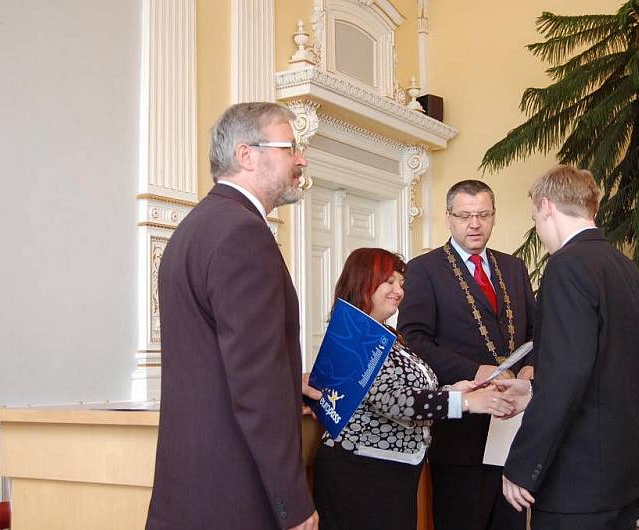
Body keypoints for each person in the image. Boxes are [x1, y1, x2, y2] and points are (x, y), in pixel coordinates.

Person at [146, 102, 318, 530]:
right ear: (246, 155)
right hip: (236, 488)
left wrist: (288, 383)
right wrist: (293, 503)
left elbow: (219, 357)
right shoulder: (243, 233)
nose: (301, 159)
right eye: (290, 147)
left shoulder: (195, 228)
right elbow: (254, 385)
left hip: (195, 483)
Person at [312, 247, 515, 530]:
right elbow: (396, 402)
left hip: (395, 473)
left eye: (401, 283)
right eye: (390, 281)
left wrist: (457, 390)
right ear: (363, 280)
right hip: (361, 474)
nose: (399, 291)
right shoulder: (354, 334)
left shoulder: (389, 336)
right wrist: (466, 403)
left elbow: (414, 390)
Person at [499, 165, 639, 530]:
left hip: (579, 482)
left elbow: (569, 374)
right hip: (623, 470)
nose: (538, 226)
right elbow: (612, 367)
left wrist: (523, 463)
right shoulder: (626, 267)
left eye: (535, 216)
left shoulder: (566, 266)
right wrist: (533, 389)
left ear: (547, 206)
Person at [397, 180, 536, 530]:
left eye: (483, 215)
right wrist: (477, 369)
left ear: (493, 217)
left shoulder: (514, 268)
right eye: (465, 215)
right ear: (448, 218)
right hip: (460, 432)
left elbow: (537, 333)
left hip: (513, 425)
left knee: (511, 523)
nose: (474, 224)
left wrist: (531, 368)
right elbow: (414, 340)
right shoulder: (423, 269)